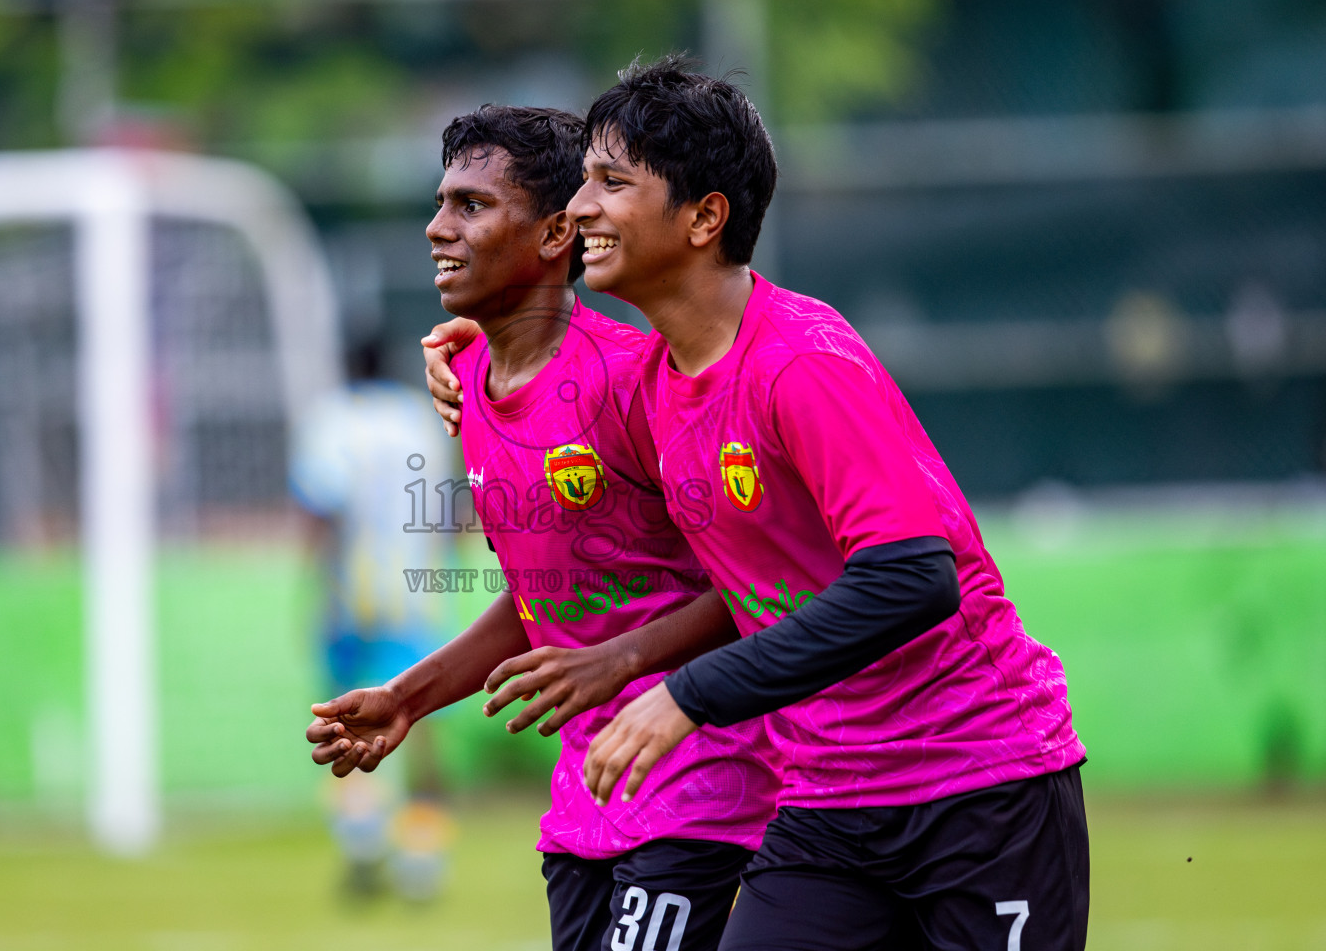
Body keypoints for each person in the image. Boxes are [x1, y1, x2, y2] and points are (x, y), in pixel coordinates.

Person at [426, 60, 1089, 950]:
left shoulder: (801, 361)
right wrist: (476, 356)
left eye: (611, 183)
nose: (580, 208)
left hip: (980, 784)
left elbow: (912, 579)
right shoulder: (654, 385)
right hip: (827, 801)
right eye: (583, 180)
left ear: (704, 218)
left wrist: (686, 696)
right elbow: (569, 422)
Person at [308, 104, 780, 951]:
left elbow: (750, 585)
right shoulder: (472, 390)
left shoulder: (637, 381)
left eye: (472, 206)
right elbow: (542, 599)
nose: (436, 228)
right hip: (586, 806)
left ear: (558, 233)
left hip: (702, 783)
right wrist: (408, 700)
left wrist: (624, 661)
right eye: (441, 201)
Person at [292, 339, 456, 898]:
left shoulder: (334, 420)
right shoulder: (419, 420)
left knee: (344, 718)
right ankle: (423, 856)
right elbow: (447, 509)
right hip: (415, 595)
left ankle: (361, 840)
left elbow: (324, 508)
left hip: (353, 599)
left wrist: (311, 591)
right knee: (422, 724)